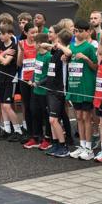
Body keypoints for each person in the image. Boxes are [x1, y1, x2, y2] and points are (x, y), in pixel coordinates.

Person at [64, 20, 98, 160]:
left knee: (86, 117)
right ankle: (82, 145)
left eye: (80, 31)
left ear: (87, 32)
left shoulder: (89, 47)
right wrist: (65, 59)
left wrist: (86, 59)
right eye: (76, 31)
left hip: (86, 86)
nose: (77, 33)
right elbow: (69, 63)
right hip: (74, 85)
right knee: (78, 117)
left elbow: (96, 66)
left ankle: (89, 148)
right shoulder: (71, 46)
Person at [42, 29, 73, 157]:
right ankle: (55, 144)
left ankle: (63, 146)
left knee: (54, 120)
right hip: (50, 88)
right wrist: (53, 46)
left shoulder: (64, 53)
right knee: (52, 120)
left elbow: (69, 52)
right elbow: (43, 45)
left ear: (60, 39)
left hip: (58, 90)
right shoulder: (56, 50)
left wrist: (60, 46)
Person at [0, 24, 22, 142]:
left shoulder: (13, 47)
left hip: (10, 78)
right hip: (0, 78)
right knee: (2, 104)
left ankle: (18, 130)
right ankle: (7, 129)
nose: (1, 36)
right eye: (0, 33)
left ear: (10, 34)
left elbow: (5, 62)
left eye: (3, 34)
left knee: (7, 106)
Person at [24, 33, 53, 150]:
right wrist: (31, 80)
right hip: (35, 91)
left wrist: (39, 83)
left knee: (46, 116)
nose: (33, 45)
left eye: (35, 43)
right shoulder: (38, 55)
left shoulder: (49, 57)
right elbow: (35, 71)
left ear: (40, 44)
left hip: (44, 92)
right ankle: (36, 137)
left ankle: (47, 139)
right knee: (34, 113)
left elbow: (49, 76)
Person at [17, 22, 39, 143]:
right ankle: (30, 133)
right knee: (27, 107)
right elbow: (19, 64)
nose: (35, 35)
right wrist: (21, 51)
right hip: (24, 79)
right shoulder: (22, 43)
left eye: (36, 32)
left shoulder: (39, 44)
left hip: (36, 80)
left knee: (35, 107)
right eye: (32, 33)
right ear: (25, 33)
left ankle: (38, 133)